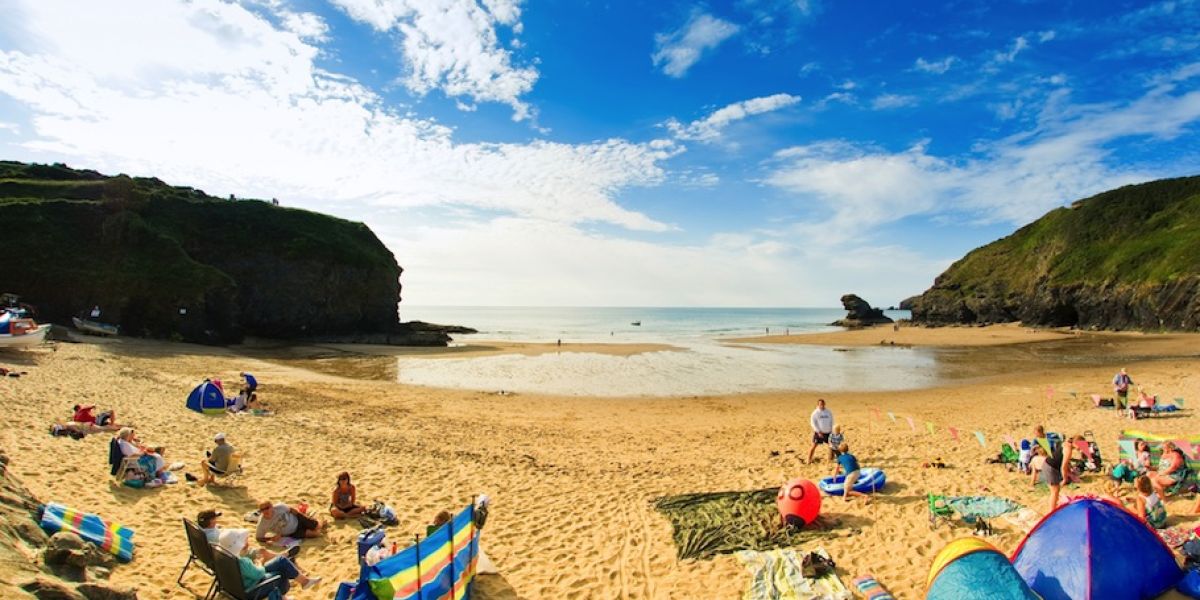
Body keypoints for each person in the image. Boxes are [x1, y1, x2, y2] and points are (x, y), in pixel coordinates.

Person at [235, 541, 321, 597]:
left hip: (244, 584)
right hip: (253, 588)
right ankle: (302, 583)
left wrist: (256, 554)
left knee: (281, 561)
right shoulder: (243, 562)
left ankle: (304, 581)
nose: (246, 542)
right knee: (282, 572)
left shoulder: (228, 557)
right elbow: (259, 573)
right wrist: (260, 563)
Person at [1031, 434, 1077, 512]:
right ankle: (1052, 511)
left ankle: (1053, 507)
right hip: (1050, 468)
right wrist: (1065, 479)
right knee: (1055, 491)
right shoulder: (1068, 449)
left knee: (1056, 490)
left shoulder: (1066, 443)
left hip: (1048, 465)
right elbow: (1064, 466)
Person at [255, 501, 325, 543]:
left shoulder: (279, 507)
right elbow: (258, 537)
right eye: (262, 510)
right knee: (315, 534)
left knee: (317, 526)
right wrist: (271, 539)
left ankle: (321, 520)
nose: (265, 511)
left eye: (267, 508)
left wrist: (303, 517)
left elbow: (292, 510)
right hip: (292, 533)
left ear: (272, 507)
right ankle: (319, 522)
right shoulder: (262, 523)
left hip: (298, 520)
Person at [806, 399, 834, 464]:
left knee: (831, 446)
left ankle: (830, 459)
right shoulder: (815, 413)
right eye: (820, 404)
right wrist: (818, 431)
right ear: (818, 405)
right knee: (814, 446)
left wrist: (832, 430)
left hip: (828, 432)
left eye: (823, 404)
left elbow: (832, 421)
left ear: (824, 404)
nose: (822, 405)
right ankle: (809, 460)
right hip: (819, 433)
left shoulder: (828, 412)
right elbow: (813, 423)